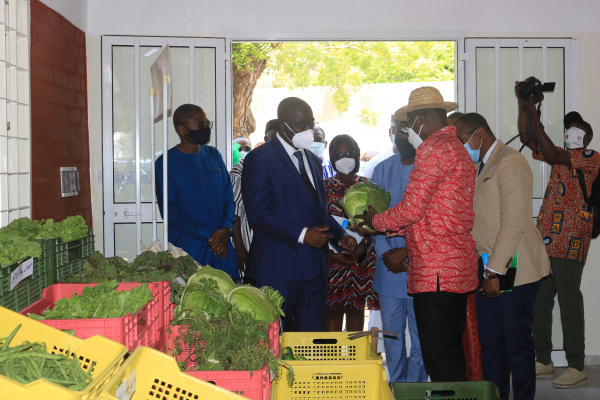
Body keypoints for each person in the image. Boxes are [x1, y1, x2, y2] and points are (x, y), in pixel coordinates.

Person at [358, 86, 478, 382]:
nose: (408, 131)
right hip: (456, 268)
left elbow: (412, 208)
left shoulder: (432, 149)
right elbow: (434, 212)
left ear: (421, 119)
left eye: (410, 123)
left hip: (435, 270)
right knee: (449, 350)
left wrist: (376, 221)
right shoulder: (457, 148)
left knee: (439, 357)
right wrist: (388, 225)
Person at [455, 112, 550, 400]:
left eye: (462, 140)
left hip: (514, 268)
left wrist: (493, 272)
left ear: (479, 133)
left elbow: (514, 222)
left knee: (516, 345)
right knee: (490, 346)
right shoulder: (479, 166)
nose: (461, 147)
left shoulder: (510, 162)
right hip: (487, 268)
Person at [242, 97, 358, 332]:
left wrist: (340, 237)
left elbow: (320, 211)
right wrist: (302, 234)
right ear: (283, 125)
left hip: (315, 269)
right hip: (278, 270)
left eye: (311, 124)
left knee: (311, 342)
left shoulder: (314, 160)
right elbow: (257, 213)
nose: (308, 131)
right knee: (277, 342)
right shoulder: (259, 158)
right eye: (300, 125)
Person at [517, 88, 600, 388]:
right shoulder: (559, 155)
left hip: (573, 238)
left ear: (587, 136)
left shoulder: (591, 157)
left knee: (569, 301)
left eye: (578, 128)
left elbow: (550, 152)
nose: (572, 131)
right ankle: (544, 360)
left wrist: (534, 112)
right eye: (569, 127)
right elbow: (527, 138)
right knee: (541, 301)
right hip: (548, 238)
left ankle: (577, 365)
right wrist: (524, 106)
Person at [370, 111, 427, 383]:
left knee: (420, 338)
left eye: (406, 130)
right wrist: (385, 253)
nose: (402, 135)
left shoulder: (429, 170)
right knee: (391, 336)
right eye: (397, 130)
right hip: (389, 270)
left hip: (422, 268)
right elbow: (371, 218)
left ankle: (414, 389)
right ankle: (396, 386)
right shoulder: (382, 169)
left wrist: (407, 252)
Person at [155, 103, 238, 279]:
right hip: (190, 247)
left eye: (207, 123)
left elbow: (228, 197)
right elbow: (171, 213)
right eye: (200, 124)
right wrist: (210, 236)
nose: (205, 128)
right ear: (182, 129)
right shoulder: (166, 163)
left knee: (231, 294)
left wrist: (226, 229)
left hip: (222, 244)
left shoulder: (213, 154)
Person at [323, 134, 379, 332]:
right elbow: (319, 222)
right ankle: (332, 361)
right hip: (333, 261)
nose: (344, 158)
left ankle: (356, 360)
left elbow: (377, 221)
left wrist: (362, 248)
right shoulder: (324, 188)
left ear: (356, 155)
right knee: (332, 311)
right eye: (338, 155)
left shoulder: (368, 186)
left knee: (356, 311)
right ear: (332, 159)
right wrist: (334, 255)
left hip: (362, 261)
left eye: (348, 153)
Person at [230, 124, 273, 277]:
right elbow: (234, 213)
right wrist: (239, 248)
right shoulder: (240, 173)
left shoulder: (282, 168)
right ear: (266, 138)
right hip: (250, 246)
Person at [362, 114, 399, 178]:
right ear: (390, 132)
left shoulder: (417, 161)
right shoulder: (376, 163)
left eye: (404, 130)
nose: (399, 134)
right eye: (394, 130)